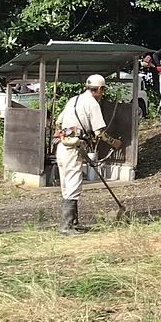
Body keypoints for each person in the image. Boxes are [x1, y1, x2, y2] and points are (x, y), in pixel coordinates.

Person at [54, 74, 122, 235]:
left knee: (66, 184)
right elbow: (99, 132)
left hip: (62, 146)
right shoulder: (92, 103)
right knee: (73, 184)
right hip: (73, 148)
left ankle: (73, 223)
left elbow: (58, 122)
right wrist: (114, 143)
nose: (102, 93)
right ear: (99, 89)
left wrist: (64, 136)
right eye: (102, 90)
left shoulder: (74, 100)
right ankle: (66, 226)